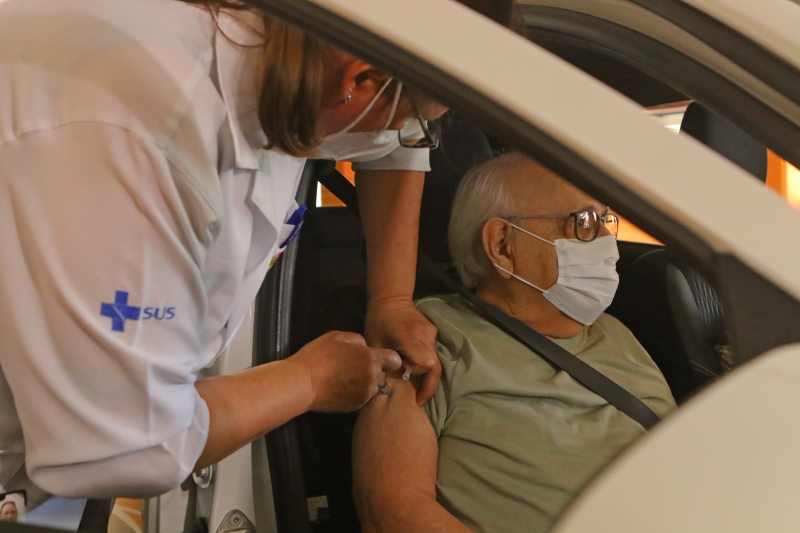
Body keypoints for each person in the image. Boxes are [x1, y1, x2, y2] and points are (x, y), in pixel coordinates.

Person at [0, 0, 520, 523]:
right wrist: (309, 379)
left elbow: (391, 146)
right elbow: (128, 446)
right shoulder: (142, 136)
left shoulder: (288, 62)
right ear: (359, 80)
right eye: (414, 120)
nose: (405, 135)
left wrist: (392, 299)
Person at [353, 153, 677, 533]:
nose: (608, 241)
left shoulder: (617, 334)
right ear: (503, 245)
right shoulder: (428, 342)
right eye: (585, 223)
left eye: (605, 221)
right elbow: (393, 511)